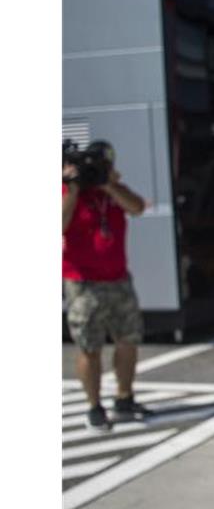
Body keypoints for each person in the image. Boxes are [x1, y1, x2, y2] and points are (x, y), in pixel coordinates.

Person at [63, 140, 152, 432]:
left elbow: (138, 208)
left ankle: (124, 398)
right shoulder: (68, 193)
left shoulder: (112, 192)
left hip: (118, 279)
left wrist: (108, 185)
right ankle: (93, 406)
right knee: (90, 346)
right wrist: (74, 189)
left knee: (129, 340)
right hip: (83, 283)